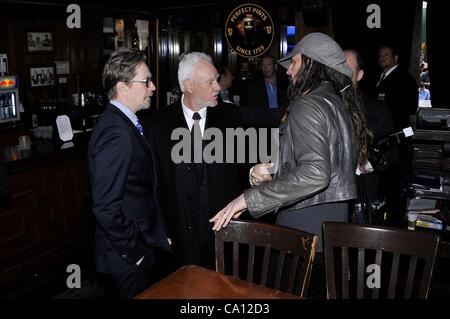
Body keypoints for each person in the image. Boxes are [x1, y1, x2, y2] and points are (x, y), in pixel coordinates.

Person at [210, 33, 371, 297]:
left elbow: (316, 173)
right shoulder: (336, 102)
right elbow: (323, 162)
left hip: (301, 234)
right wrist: (276, 169)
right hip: (330, 231)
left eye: (294, 63)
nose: (288, 71)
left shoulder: (308, 104)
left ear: (311, 64)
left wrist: (247, 200)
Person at [144, 52, 249, 270]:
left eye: (217, 80)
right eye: (210, 82)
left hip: (225, 233)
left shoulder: (230, 116)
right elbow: (150, 185)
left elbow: (244, 164)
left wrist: (253, 172)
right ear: (189, 86)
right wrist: (158, 230)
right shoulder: (157, 124)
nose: (218, 87)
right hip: (179, 237)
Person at [88, 47, 171, 298]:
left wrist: (157, 235)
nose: (153, 87)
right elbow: (105, 207)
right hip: (126, 257)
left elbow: (138, 191)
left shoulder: (123, 123)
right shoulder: (117, 133)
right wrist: (135, 254)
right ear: (123, 86)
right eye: (146, 81)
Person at [345, 49, 396, 223]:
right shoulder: (323, 104)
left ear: (359, 75)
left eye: (346, 70)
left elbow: (391, 151)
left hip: (361, 197)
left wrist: (373, 162)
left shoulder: (377, 111)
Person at [375, 45, 418, 130]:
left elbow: (406, 111)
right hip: (381, 128)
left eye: (386, 55)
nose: (382, 58)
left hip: (394, 132)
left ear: (395, 58)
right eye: (380, 55)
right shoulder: (379, 77)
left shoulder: (404, 79)